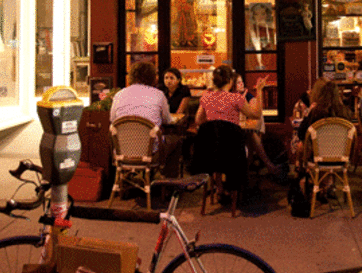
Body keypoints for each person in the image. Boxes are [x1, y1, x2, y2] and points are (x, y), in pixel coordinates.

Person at [192, 65, 265, 204]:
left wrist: (214, 124)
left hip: (211, 152)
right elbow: (255, 115)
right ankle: (235, 190)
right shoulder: (236, 98)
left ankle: (219, 189)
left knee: (217, 148)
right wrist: (259, 91)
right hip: (232, 151)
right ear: (230, 81)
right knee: (240, 149)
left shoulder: (206, 97)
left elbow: (198, 120)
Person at [110, 61, 182, 178]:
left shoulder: (119, 95)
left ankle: (128, 179)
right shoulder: (158, 95)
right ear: (153, 77)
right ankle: (168, 182)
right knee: (176, 141)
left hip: (122, 152)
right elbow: (167, 120)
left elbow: (113, 120)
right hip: (150, 153)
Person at [234, 72, 280, 176]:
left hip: (243, 130)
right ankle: (267, 166)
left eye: (242, 81)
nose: (241, 84)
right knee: (251, 136)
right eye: (238, 82)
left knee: (251, 135)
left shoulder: (247, 96)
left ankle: (248, 170)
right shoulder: (231, 98)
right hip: (232, 132)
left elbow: (257, 114)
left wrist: (259, 91)